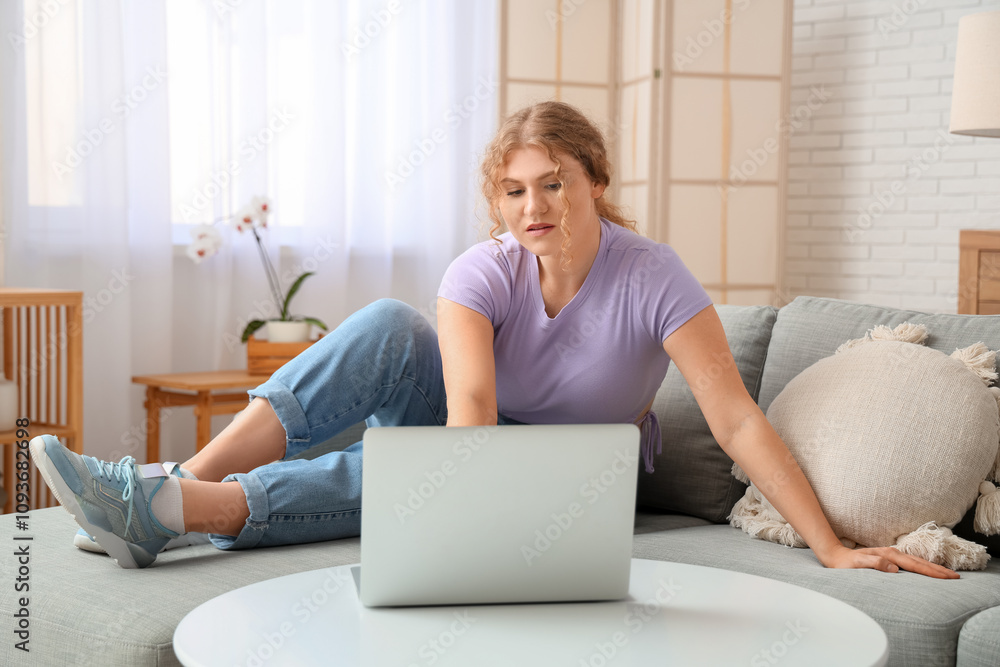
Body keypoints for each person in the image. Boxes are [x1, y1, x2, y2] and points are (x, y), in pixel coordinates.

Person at [30, 101, 958, 579]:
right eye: (514, 191)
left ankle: (170, 512)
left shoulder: (654, 274)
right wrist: (443, 484)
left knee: (406, 462)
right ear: (495, 201)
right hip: (487, 437)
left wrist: (832, 546)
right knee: (393, 328)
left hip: (582, 473)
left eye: (553, 183)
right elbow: (469, 408)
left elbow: (737, 420)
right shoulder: (483, 270)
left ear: (594, 179)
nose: (533, 207)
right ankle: (184, 484)